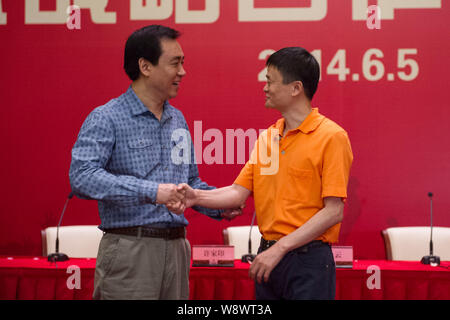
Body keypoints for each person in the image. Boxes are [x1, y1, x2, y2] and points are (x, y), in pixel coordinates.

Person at [69, 25, 241, 300]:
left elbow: (191, 182)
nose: (183, 71)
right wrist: (152, 192)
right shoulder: (106, 117)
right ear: (145, 66)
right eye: (175, 63)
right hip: (130, 250)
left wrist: (220, 205)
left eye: (183, 62)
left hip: (177, 249)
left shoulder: (178, 120)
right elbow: (82, 176)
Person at [179, 47, 353, 300]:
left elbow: (333, 210)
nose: (265, 87)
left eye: (270, 80)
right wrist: (193, 197)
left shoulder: (332, 137)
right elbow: (238, 192)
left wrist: (280, 248)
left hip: (307, 261)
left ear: (295, 88)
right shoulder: (268, 138)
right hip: (268, 258)